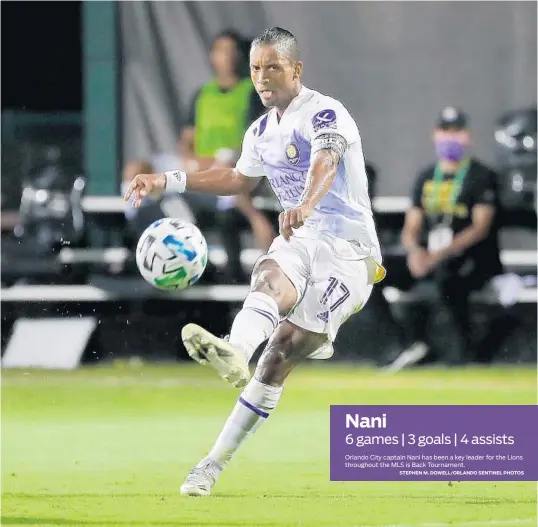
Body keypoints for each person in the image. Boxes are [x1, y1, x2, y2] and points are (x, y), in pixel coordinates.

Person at [124, 27, 385, 496]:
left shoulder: (325, 112)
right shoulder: (261, 130)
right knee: (267, 275)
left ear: (296, 70)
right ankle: (215, 441)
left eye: (273, 67)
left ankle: (250, 355)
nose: (262, 78)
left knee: (282, 349)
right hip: (300, 238)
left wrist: (305, 201)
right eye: (255, 69)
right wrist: (168, 180)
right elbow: (236, 179)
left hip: (350, 252)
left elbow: (326, 159)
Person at [387, 106, 503, 371]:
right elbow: (411, 226)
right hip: (427, 257)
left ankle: (461, 355)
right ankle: (410, 344)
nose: (451, 137)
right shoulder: (426, 176)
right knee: (374, 275)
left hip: (468, 260)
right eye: (445, 131)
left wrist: (436, 257)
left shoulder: (481, 176)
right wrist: (415, 251)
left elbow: (479, 228)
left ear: (468, 137)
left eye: (457, 131)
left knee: (448, 277)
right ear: (435, 135)